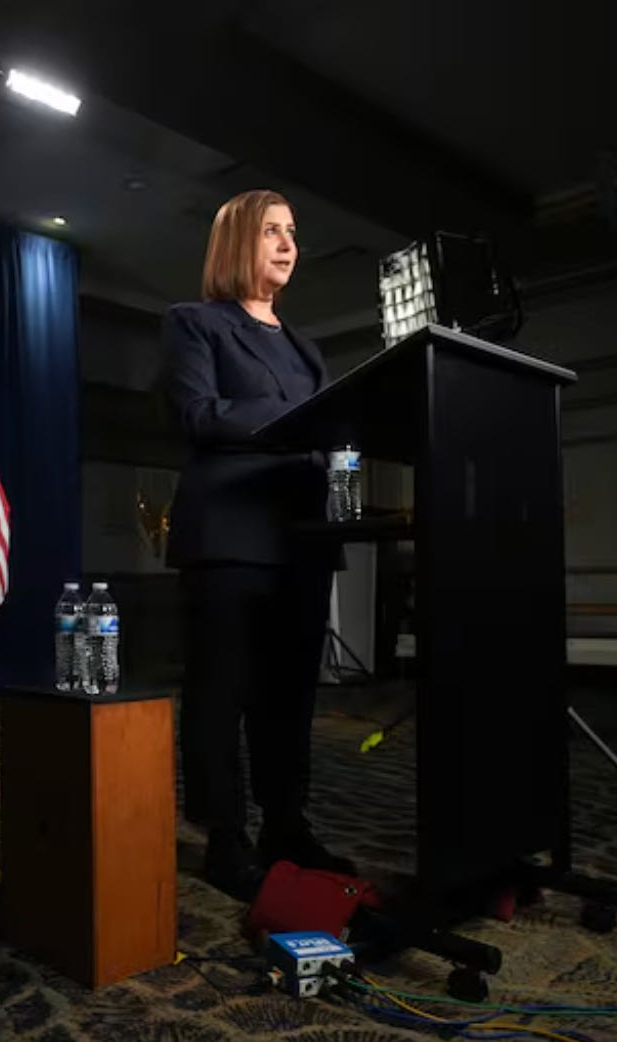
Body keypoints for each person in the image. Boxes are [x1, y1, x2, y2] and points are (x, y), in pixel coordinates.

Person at [162, 189, 355, 900]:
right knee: (222, 694)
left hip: (302, 538)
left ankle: (285, 825)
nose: (287, 244)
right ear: (236, 241)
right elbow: (198, 414)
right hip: (230, 539)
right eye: (272, 230)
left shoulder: (307, 347)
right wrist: (303, 418)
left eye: (293, 232)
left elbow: (327, 431)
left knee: (290, 697)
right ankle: (225, 836)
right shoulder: (194, 323)